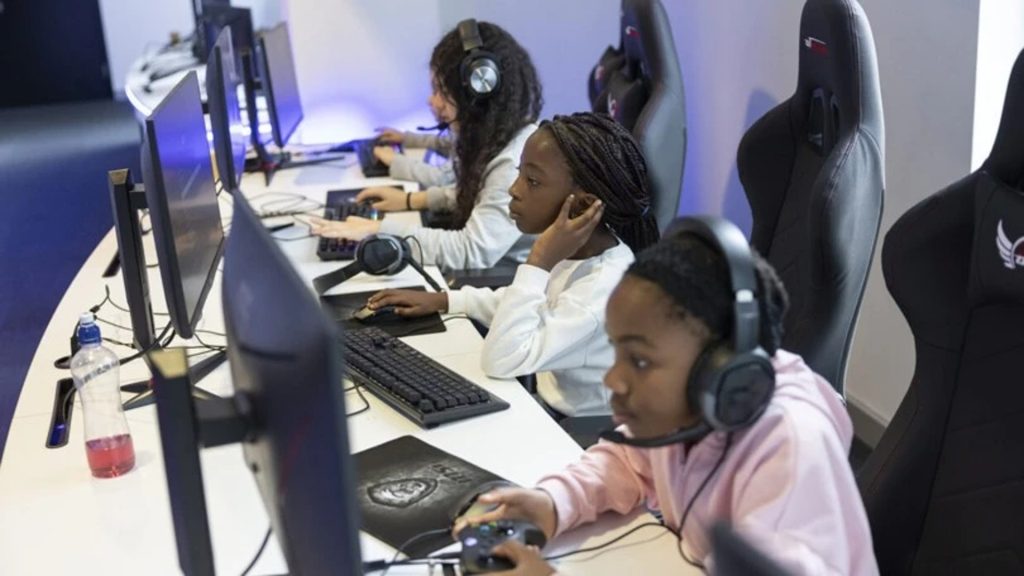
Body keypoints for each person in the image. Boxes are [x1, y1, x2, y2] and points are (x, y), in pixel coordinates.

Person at [453, 225, 879, 575]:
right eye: (617, 350)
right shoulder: (686, 412)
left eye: (639, 361)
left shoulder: (789, 442)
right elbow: (625, 461)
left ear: (720, 373)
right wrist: (554, 503)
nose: (613, 378)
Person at [365, 112, 660, 417]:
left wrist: (538, 262)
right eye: (519, 174)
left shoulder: (600, 289)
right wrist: (446, 300)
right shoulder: (583, 250)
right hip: (548, 407)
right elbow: (533, 305)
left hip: (578, 434)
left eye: (532, 181)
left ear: (583, 205)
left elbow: (502, 360)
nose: (514, 189)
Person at [310, 20, 543, 270]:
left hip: (497, 283)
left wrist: (378, 229)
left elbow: (472, 251)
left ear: (476, 95)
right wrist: (412, 200)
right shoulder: (495, 136)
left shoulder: (513, 163)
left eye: (441, 91)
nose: (433, 101)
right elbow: (475, 194)